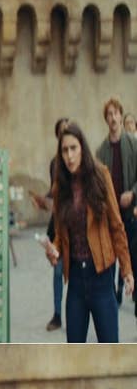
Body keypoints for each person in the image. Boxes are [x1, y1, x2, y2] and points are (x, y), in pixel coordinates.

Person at [45, 121, 133, 342]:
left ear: (82, 147)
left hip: (102, 277)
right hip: (75, 280)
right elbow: (60, 235)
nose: (69, 156)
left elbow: (116, 225)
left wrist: (127, 270)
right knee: (73, 348)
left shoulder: (100, 176)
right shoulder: (60, 187)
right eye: (65, 150)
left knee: (110, 345)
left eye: (73, 148)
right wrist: (53, 250)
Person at [95, 97, 137, 311]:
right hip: (111, 218)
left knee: (134, 260)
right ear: (106, 119)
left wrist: (133, 192)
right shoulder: (101, 152)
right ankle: (111, 302)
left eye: (115, 113)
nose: (113, 118)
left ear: (121, 115)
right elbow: (98, 187)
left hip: (132, 214)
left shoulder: (133, 143)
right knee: (110, 263)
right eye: (109, 114)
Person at [30, 116, 69, 331]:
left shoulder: (79, 159)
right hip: (58, 226)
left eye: (68, 129)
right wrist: (42, 201)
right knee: (57, 271)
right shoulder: (55, 163)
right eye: (62, 131)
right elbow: (55, 192)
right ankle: (57, 315)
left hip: (75, 226)